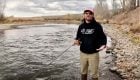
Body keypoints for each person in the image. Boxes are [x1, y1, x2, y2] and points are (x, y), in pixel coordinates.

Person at [74, 8, 107, 80]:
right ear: (84, 15)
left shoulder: (97, 25)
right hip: (82, 53)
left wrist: (103, 45)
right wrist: (76, 41)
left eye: (90, 13)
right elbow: (78, 37)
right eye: (86, 13)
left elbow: (103, 37)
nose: (88, 15)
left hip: (93, 53)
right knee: (83, 72)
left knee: (94, 74)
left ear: (93, 15)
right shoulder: (81, 26)